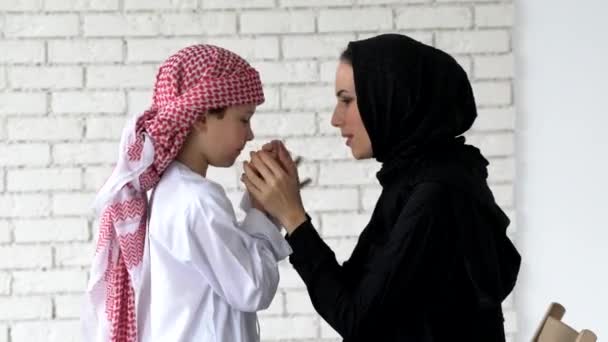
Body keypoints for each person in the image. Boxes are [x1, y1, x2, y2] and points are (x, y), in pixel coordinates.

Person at [242, 33, 521, 341]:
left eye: (346, 100)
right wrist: (290, 211)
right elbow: (354, 294)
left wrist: (294, 218)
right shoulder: (415, 180)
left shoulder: (437, 193)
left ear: (391, 97)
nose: (336, 119)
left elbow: (358, 322)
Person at [82, 44, 291, 342]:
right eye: (243, 119)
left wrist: (262, 206)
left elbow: (229, 268)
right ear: (201, 117)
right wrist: (264, 212)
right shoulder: (197, 201)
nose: (250, 134)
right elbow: (252, 287)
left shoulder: (173, 191)